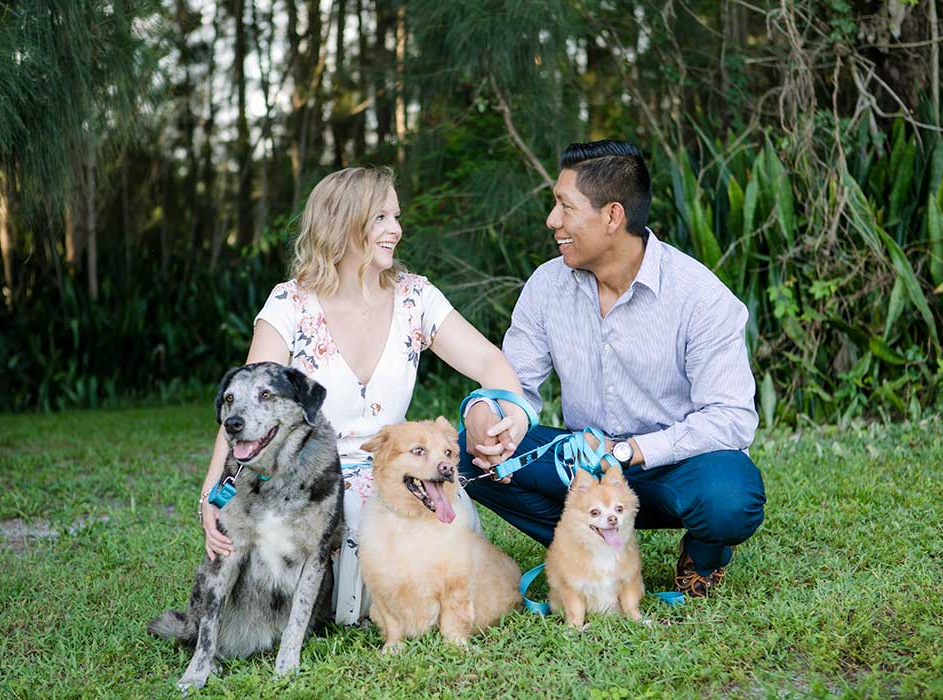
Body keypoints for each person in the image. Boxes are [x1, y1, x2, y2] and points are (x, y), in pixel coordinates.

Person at [200, 166, 527, 625]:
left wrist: (508, 415)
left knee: (440, 533)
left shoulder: (416, 298)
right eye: (380, 218)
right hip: (313, 483)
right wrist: (213, 492)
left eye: (395, 216)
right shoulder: (290, 304)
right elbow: (244, 406)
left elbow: (491, 363)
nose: (396, 229)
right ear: (342, 223)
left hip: (402, 477)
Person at [460, 140, 766, 597]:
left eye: (565, 206)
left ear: (612, 216)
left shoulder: (701, 297)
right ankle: (597, 550)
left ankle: (704, 557)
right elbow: (517, 386)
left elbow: (732, 419)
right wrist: (494, 417)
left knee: (731, 496)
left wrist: (630, 451)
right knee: (468, 455)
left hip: (671, 467)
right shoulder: (547, 286)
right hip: (581, 464)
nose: (552, 220)